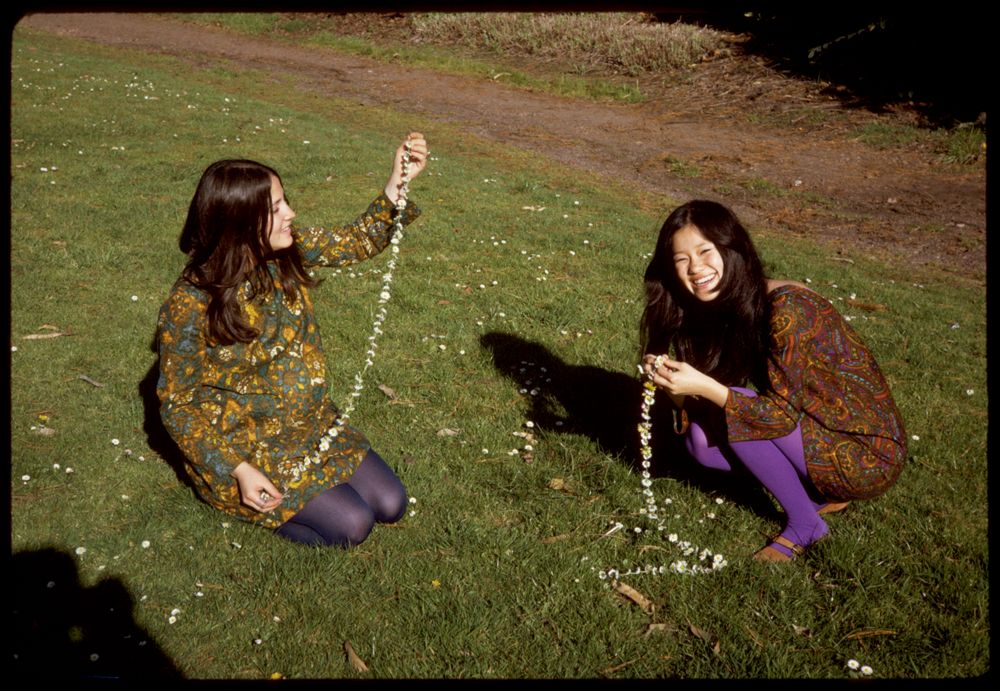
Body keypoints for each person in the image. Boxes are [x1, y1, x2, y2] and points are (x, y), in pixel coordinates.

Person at [155, 133, 429, 547]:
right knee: (353, 526)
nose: (291, 213)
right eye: (277, 207)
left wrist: (398, 181)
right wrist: (238, 469)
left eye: (285, 201)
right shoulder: (189, 303)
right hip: (246, 447)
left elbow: (356, 240)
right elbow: (177, 405)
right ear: (241, 223)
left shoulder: (284, 252)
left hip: (309, 428)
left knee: (391, 503)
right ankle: (237, 499)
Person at [639, 200, 906, 562]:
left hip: (865, 453)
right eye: (680, 259)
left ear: (733, 249)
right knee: (700, 443)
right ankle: (815, 495)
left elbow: (775, 416)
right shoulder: (726, 306)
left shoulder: (787, 309)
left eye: (705, 251)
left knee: (732, 403)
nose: (695, 268)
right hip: (815, 426)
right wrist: (678, 391)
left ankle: (805, 523)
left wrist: (706, 388)